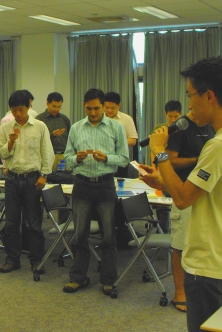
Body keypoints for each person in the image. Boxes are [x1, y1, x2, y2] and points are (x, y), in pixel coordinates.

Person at [140, 57, 222, 332]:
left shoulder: (220, 145)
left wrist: (159, 152)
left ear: (209, 96)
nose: (188, 105)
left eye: (190, 96)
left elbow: (182, 200)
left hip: (208, 267)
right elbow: (199, 193)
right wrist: (162, 180)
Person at [62, 88, 129, 295]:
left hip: (105, 185)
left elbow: (124, 158)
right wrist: (77, 159)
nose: (92, 112)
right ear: (84, 106)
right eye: (89, 108)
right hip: (81, 184)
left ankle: (109, 281)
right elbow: (67, 158)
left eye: (97, 108)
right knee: (80, 235)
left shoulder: (116, 127)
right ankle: (78, 278)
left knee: (108, 236)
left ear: (103, 106)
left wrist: (106, 158)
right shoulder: (75, 128)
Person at [0, 90, 54, 274]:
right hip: (12, 178)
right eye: (14, 110)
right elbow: (1, 154)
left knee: (34, 224)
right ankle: (12, 259)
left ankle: (36, 260)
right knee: (12, 222)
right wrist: (11, 143)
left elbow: (47, 152)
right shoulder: (5, 128)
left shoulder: (39, 126)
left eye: (21, 109)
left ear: (28, 107)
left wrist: (44, 174)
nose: (17, 114)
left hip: (32, 179)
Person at [164, 110, 214, 313]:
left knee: (204, 244)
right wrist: (197, 160)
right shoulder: (180, 128)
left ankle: (202, 288)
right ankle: (179, 292)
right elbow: (169, 160)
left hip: (206, 192)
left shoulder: (212, 127)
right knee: (181, 245)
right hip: (183, 190)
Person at [35, 92, 70, 169]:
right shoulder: (39, 119)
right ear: (47, 103)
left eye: (59, 107)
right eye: (54, 106)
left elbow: (69, 138)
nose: (56, 109)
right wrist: (52, 135)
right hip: (46, 157)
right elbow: (36, 140)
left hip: (63, 156)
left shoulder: (64, 119)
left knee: (65, 179)